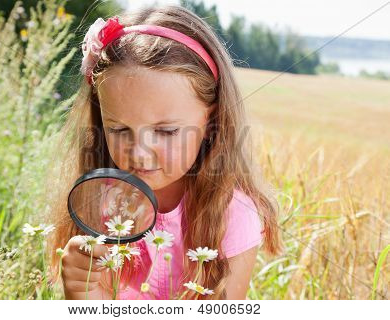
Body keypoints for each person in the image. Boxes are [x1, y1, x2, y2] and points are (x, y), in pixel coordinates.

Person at [47, 5, 282, 300]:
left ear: (211, 122)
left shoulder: (231, 215)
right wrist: (83, 292)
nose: (140, 154)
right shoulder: (99, 202)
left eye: (166, 132)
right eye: (119, 130)